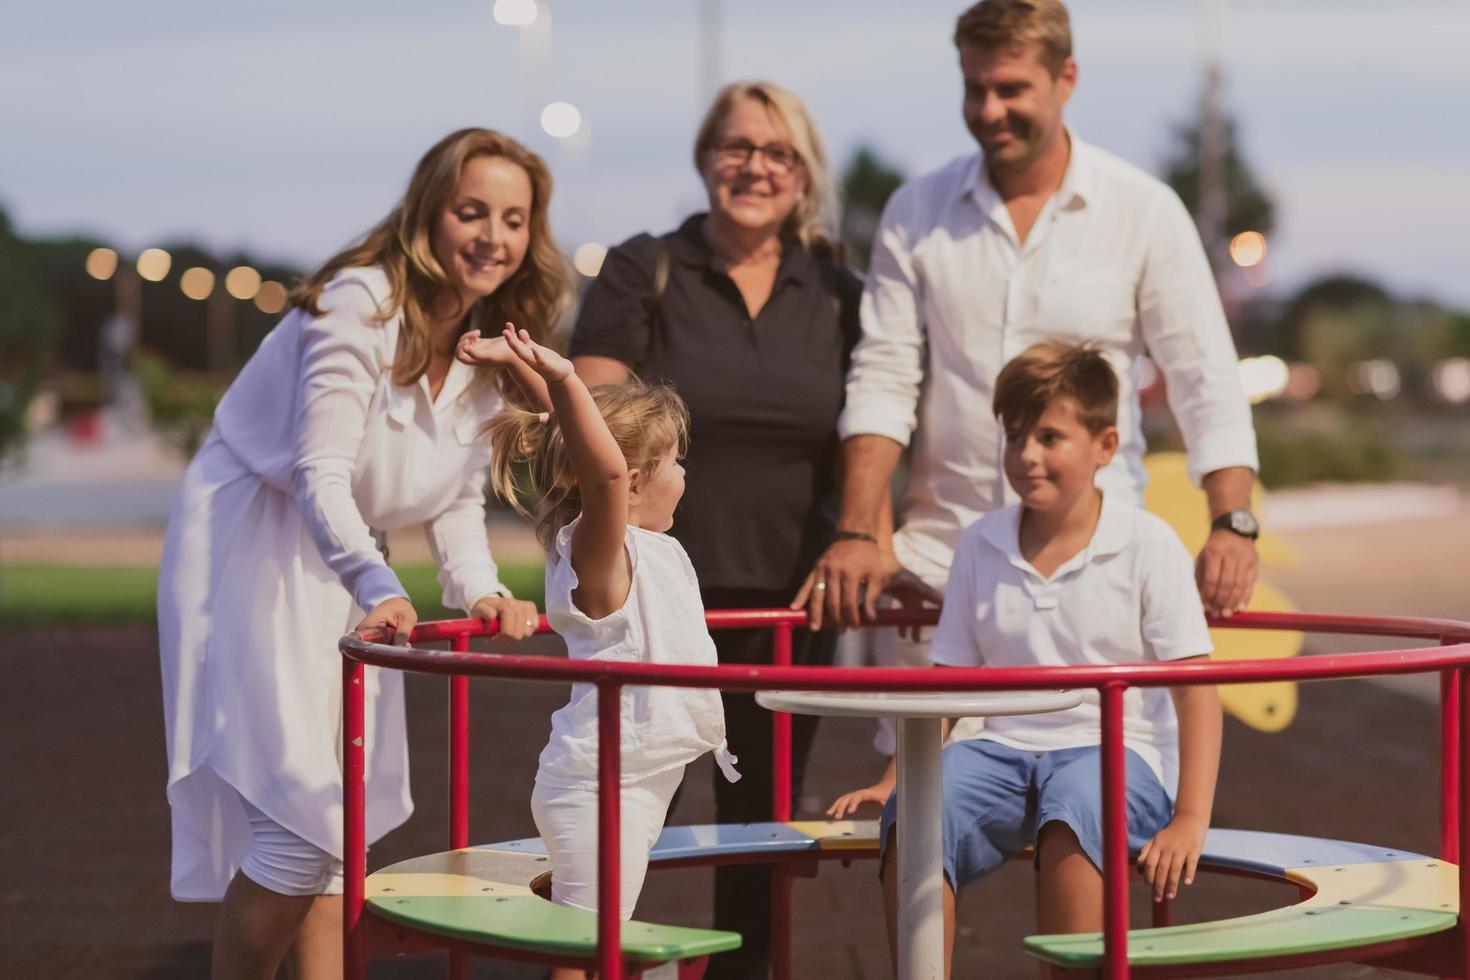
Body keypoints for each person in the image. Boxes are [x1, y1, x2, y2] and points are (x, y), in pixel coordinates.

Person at [796, 0, 1261, 760]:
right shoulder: (917, 211)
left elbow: (1205, 379)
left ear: (1066, 77)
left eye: (1011, 89)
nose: (989, 110)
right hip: (941, 567)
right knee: (920, 827)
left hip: (1097, 574)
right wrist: (857, 532)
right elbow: (883, 376)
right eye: (975, 88)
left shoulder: (1142, 210)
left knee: (1085, 817)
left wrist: (1232, 524)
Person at [157, 128, 567, 980]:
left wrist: (479, 588)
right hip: (254, 539)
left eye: (515, 218)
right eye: (472, 211)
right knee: (296, 824)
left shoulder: (488, 331)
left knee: (341, 830)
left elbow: (451, 493)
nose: (494, 235)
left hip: (341, 550)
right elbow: (319, 470)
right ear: (428, 213)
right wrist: (377, 580)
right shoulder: (359, 302)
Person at [568, 80, 861, 976]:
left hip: (790, 602)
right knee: (617, 799)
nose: (754, 167)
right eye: (736, 147)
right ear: (704, 159)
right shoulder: (645, 267)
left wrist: (865, 532)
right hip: (656, 596)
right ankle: (595, 958)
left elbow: (875, 429)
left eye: (778, 152)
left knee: (762, 819)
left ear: (805, 174)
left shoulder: (841, 289)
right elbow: (593, 417)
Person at [831, 340, 1222, 977]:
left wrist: (1191, 818)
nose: (1027, 456)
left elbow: (1196, 692)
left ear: (1104, 446)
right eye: (1015, 437)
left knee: (1076, 807)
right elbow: (948, 685)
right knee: (917, 814)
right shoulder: (981, 544)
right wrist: (898, 777)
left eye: (1049, 437)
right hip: (1003, 744)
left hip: (1120, 748)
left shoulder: (1149, 545)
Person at [477, 326, 739, 980]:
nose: (685, 474)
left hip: (632, 787)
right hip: (600, 788)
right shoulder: (605, 553)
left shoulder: (655, 548)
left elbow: (580, 442)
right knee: (586, 952)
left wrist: (534, 378)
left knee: (596, 946)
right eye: (676, 461)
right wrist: (564, 378)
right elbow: (603, 471)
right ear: (639, 479)